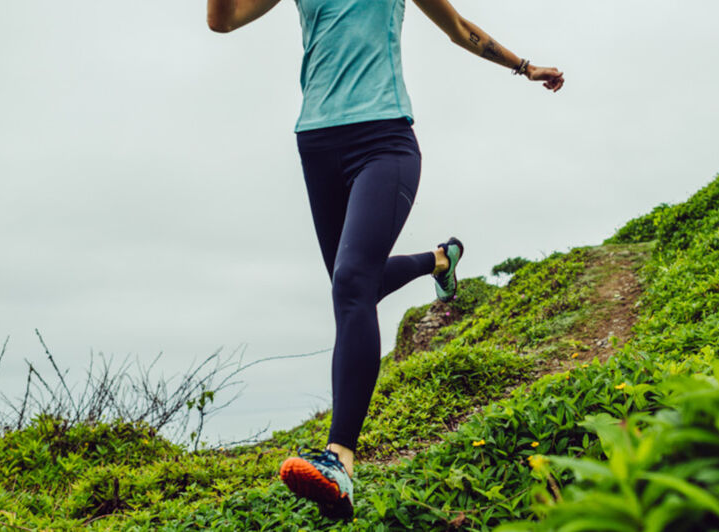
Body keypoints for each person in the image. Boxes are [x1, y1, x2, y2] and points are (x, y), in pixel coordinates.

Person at [206, 0, 564, 520]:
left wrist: (524, 67)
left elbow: (460, 30)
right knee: (353, 287)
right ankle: (441, 261)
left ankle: (340, 461)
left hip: (384, 141)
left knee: (352, 283)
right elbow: (223, 19)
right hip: (317, 143)